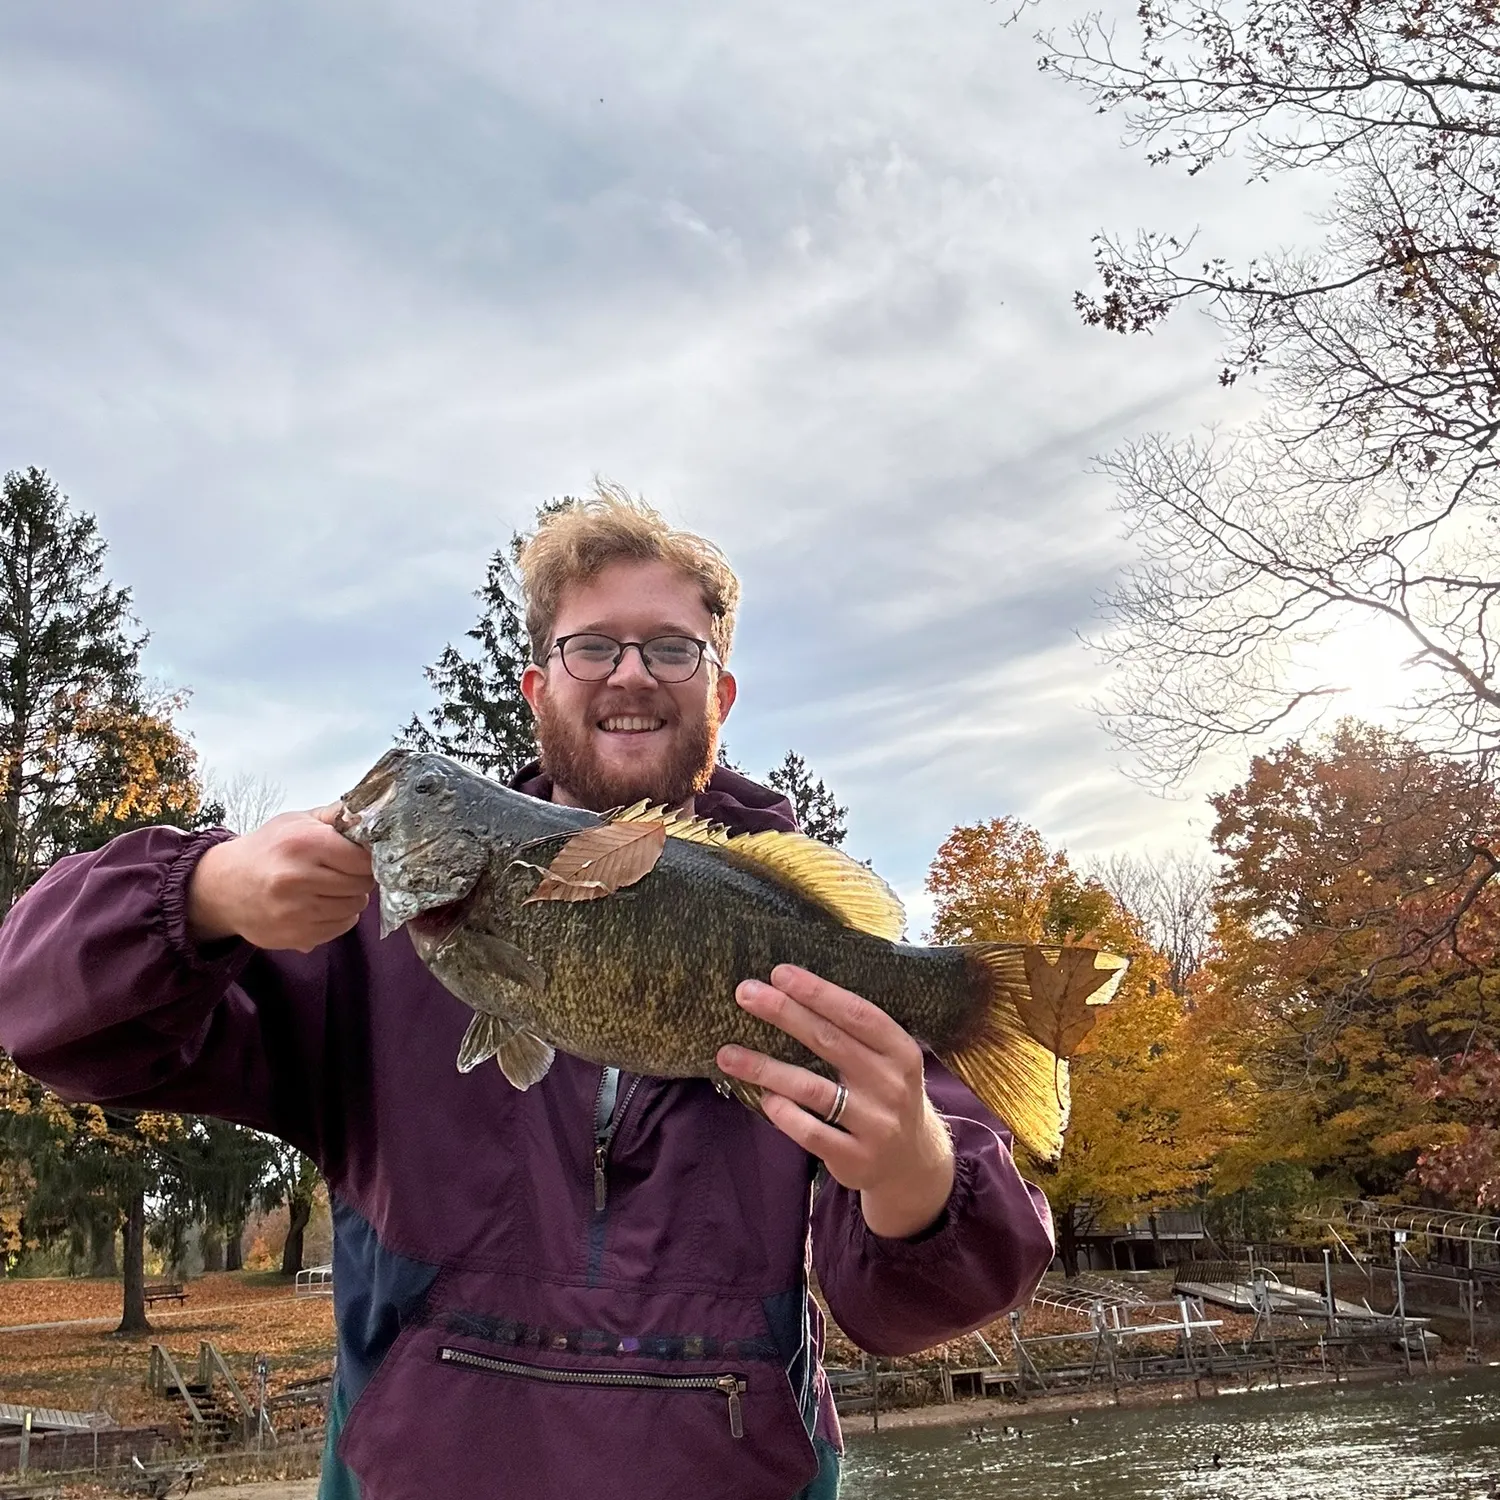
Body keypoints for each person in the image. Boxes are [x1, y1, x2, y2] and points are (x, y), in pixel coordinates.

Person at [0, 488, 1055, 1499]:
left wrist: (917, 1173)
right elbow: (50, 1018)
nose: (631, 673)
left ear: (720, 692)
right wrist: (204, 889)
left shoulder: (799, 944)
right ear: (537, 687)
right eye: (592, 646)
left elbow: (916, 1303)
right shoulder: (359, 935)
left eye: (673, 648)